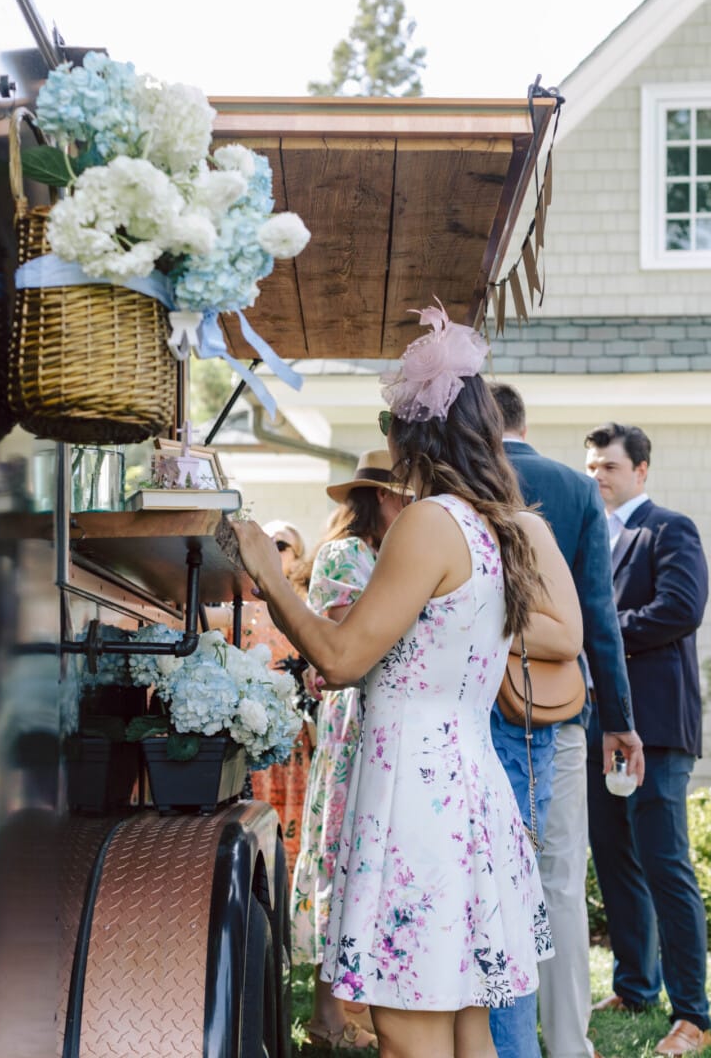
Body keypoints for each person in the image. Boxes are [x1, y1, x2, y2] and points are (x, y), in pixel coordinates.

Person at [230, 300, 583, 1058]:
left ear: (412, 434)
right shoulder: (496, 528)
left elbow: (341, 656)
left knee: (407, 1032)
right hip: (466, 793)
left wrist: (267, 570)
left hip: (418, 803)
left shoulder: (430, 523)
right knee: (464, 1029)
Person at [488, 383, 644, 1058]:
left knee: (487, 874)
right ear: (522, 422)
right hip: (558, 706)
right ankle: (569, 1043)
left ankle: (491, 1034)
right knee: (558, 879)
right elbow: (598, 620)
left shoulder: (455, 484)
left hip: (476, 704)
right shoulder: (575, 490)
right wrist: (620, 717)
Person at [584, 423, 710, 1057]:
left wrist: (600, 633)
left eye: (608, 466)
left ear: (641, 470)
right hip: (599, 724)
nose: (597, 476)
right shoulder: (591, 538)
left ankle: (694, 1013)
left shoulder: (669, 529)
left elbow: (682, 608)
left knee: (665, 865)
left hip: (657, 728)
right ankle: (636, 986)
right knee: (614, 856)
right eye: (591, 466)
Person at [292, 450, 410, 1050]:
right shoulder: (348, 554)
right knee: (342, 849)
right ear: (382, 498)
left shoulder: (382, 555)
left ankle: (347, 1009)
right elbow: (348, 630)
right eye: (405, 499)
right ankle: (329, 1016)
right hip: (353, 719)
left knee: (359, 854)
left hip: (373, 718)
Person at [242, 520, 312, 885]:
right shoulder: (242, 607)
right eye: (268, 544)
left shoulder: (306, 609)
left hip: (296, 740)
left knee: (295, 816)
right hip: (256, 733)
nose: (275, 551)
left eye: (282, 545)